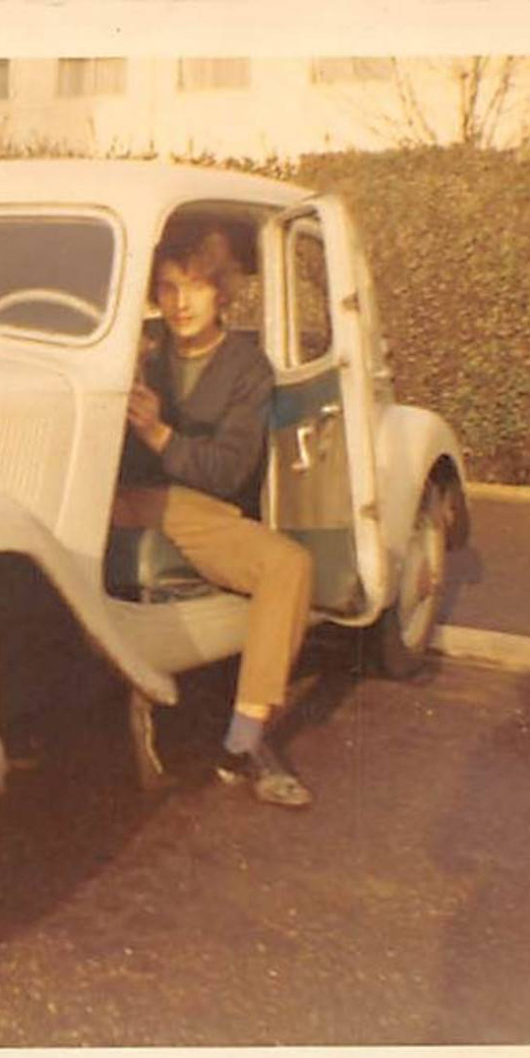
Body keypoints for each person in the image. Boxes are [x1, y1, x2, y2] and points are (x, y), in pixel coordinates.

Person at [116, 228, 315, 808]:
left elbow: (230, 471)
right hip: (116, 499)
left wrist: (158, 433)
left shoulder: (247, 368)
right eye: (168, 288)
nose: (181, 303)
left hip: (195, 506)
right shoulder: (138, 350)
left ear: (223, 294)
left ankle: (246, 740)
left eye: (197, 288)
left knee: (288, 566)